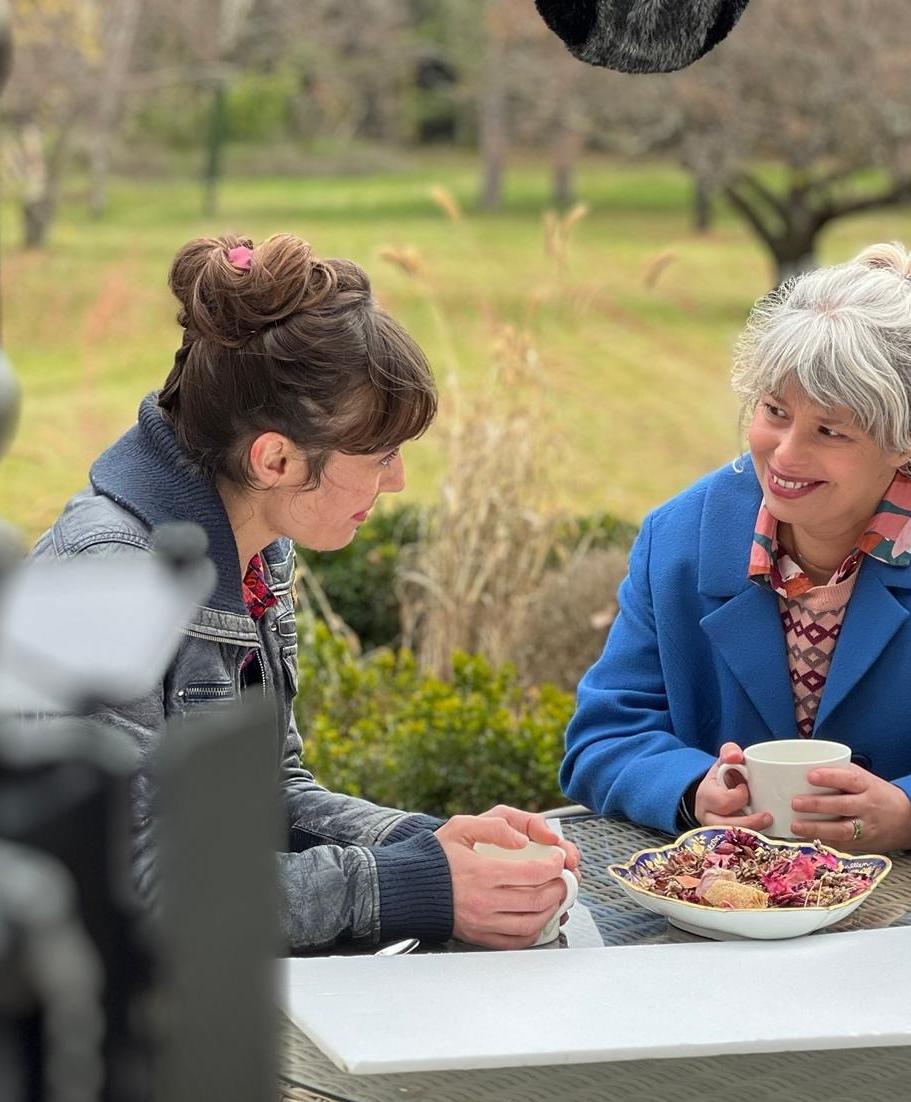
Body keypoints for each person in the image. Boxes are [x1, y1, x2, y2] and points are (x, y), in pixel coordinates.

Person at [31, 232, 577, 951]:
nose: (397, 481)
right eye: (381, 455)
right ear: (276, 458)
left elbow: (264, 795)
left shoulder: (252, 547)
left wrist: (426, 844)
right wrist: (408, 888)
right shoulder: (105, 583)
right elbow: (128, 887)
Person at [559, 242, 911, 849]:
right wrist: (690, 791)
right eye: (775, 411)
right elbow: (603, 739)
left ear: (907, 439)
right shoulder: (677, 537)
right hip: (727, 908)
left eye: (830, 430)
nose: (786, 453)